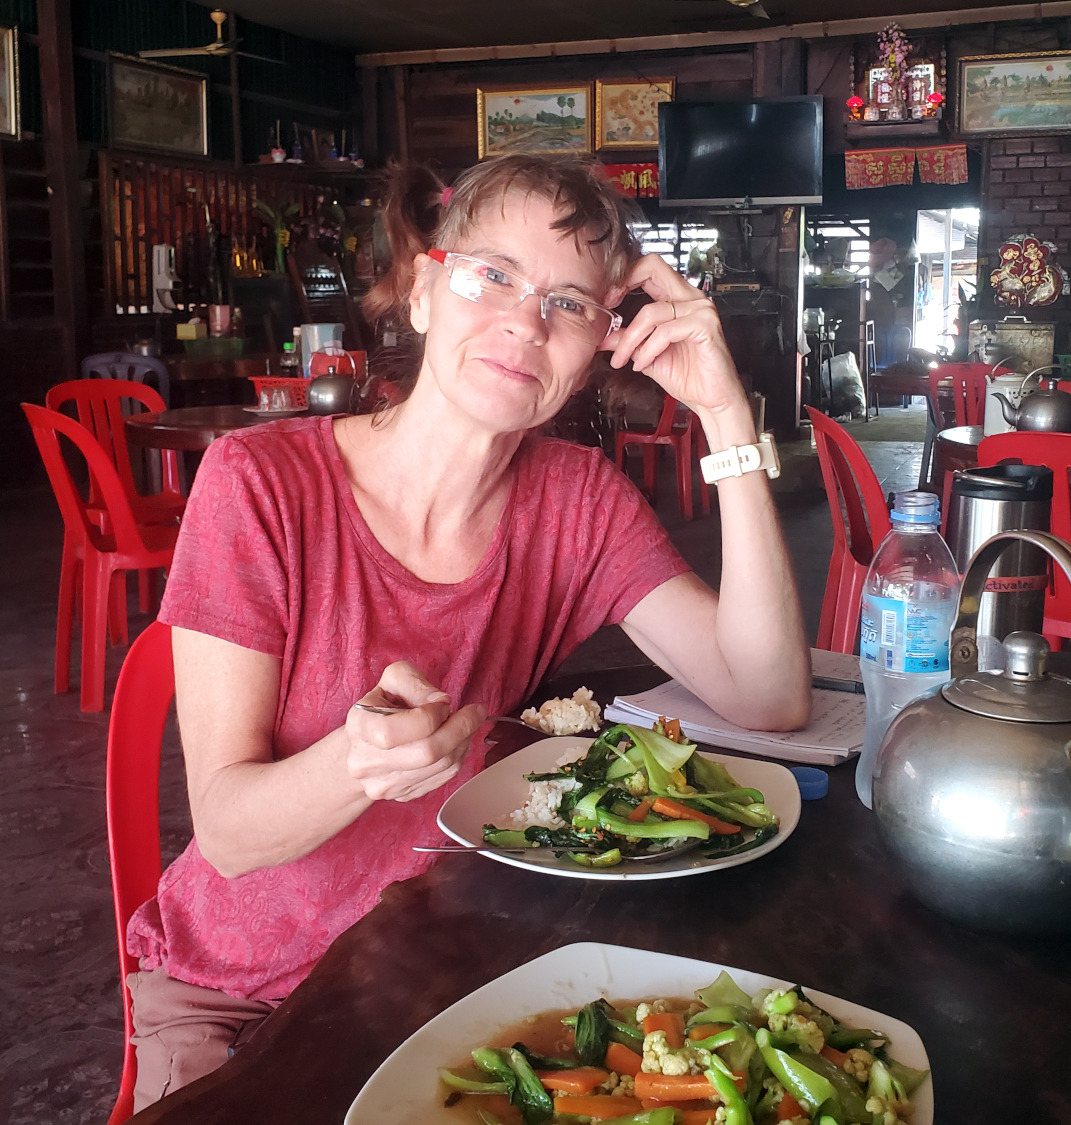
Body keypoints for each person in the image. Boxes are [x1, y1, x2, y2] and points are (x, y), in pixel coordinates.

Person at [123, 154, 810, 1110]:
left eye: (570, 303)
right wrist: (355, 764)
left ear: (601, 346)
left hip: (451, 982)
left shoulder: (579, 505)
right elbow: (231, 835)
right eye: (492, 274)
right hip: (241, 997)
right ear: (421, 291)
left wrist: (726, 411)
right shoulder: (259, 482)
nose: (526, 322)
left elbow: (769, 694)